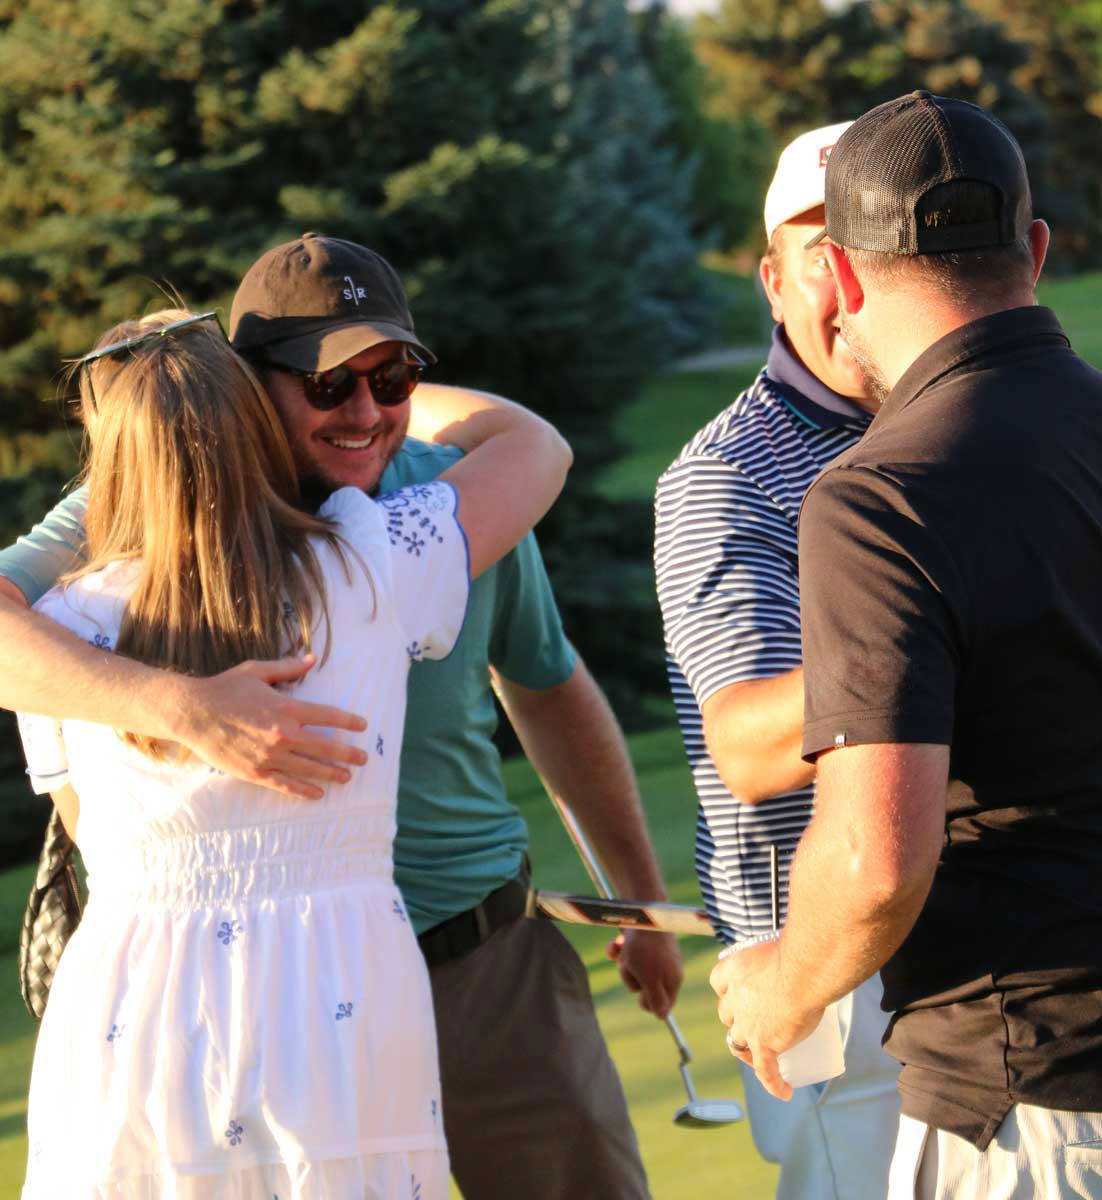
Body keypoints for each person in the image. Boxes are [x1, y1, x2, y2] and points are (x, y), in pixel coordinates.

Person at [0, 234, 680, 1199]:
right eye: (327, 385)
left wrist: (641, 900)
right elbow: (536, 445)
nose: (365, 412)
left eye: (393, 375)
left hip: (471, 964)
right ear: (247, 392)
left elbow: (551, 692)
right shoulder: (381, 557)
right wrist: (183, 706)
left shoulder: (415, 510)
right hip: (238, 1018)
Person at [711, 91, 1102, 1199]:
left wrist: (779, 990)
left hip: (1048, 1104)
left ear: (835, 275)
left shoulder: (881, 495)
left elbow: (876, 859)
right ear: (1032, 248)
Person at [654, 121, 899, 1199]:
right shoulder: (730, 476)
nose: (845, 280)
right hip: (829, 970)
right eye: (816, 251)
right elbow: (752, 741)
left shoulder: (950, 431)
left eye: (867, 245)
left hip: (992, 938)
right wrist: (959, 648)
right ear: (771, 279)